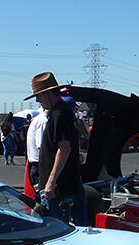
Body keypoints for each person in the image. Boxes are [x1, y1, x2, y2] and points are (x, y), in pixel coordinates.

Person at [25, 71, 84, 224]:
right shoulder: (59, 113)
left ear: (48, 94)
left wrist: (50, 182)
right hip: (67, 183)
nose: (38, 100)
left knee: (56, 228)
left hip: (60, 187)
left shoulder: (59, 115)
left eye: (39, 96)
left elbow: (64, 149)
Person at [24, 110, 49, 200]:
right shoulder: (43, 122)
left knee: (39, 197)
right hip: (40, 165)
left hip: (36, 165)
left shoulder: (38, 120)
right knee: (43, 199)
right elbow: (42, 147)